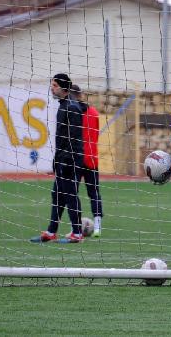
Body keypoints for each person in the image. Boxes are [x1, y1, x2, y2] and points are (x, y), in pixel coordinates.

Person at [30, 74, 89, 243]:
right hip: (63, 158)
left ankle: (77, 233)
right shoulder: (65, 105)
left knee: (70, 195)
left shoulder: (71, 108)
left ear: (63, 88)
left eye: (55, 85)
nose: (52, 88)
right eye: (52, 85)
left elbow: (74, 138)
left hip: (70, 160)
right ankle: (51, 231)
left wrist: (67, 160)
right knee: (57, 194)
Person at [65, 84, 103, 238]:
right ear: (80, 94)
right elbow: (96, 134)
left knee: (72, 193)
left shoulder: (71, 112)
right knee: (94, 193)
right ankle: (98, 227)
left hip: (76, 158)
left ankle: (76, 229)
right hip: (92, 158)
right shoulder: (93, 112)